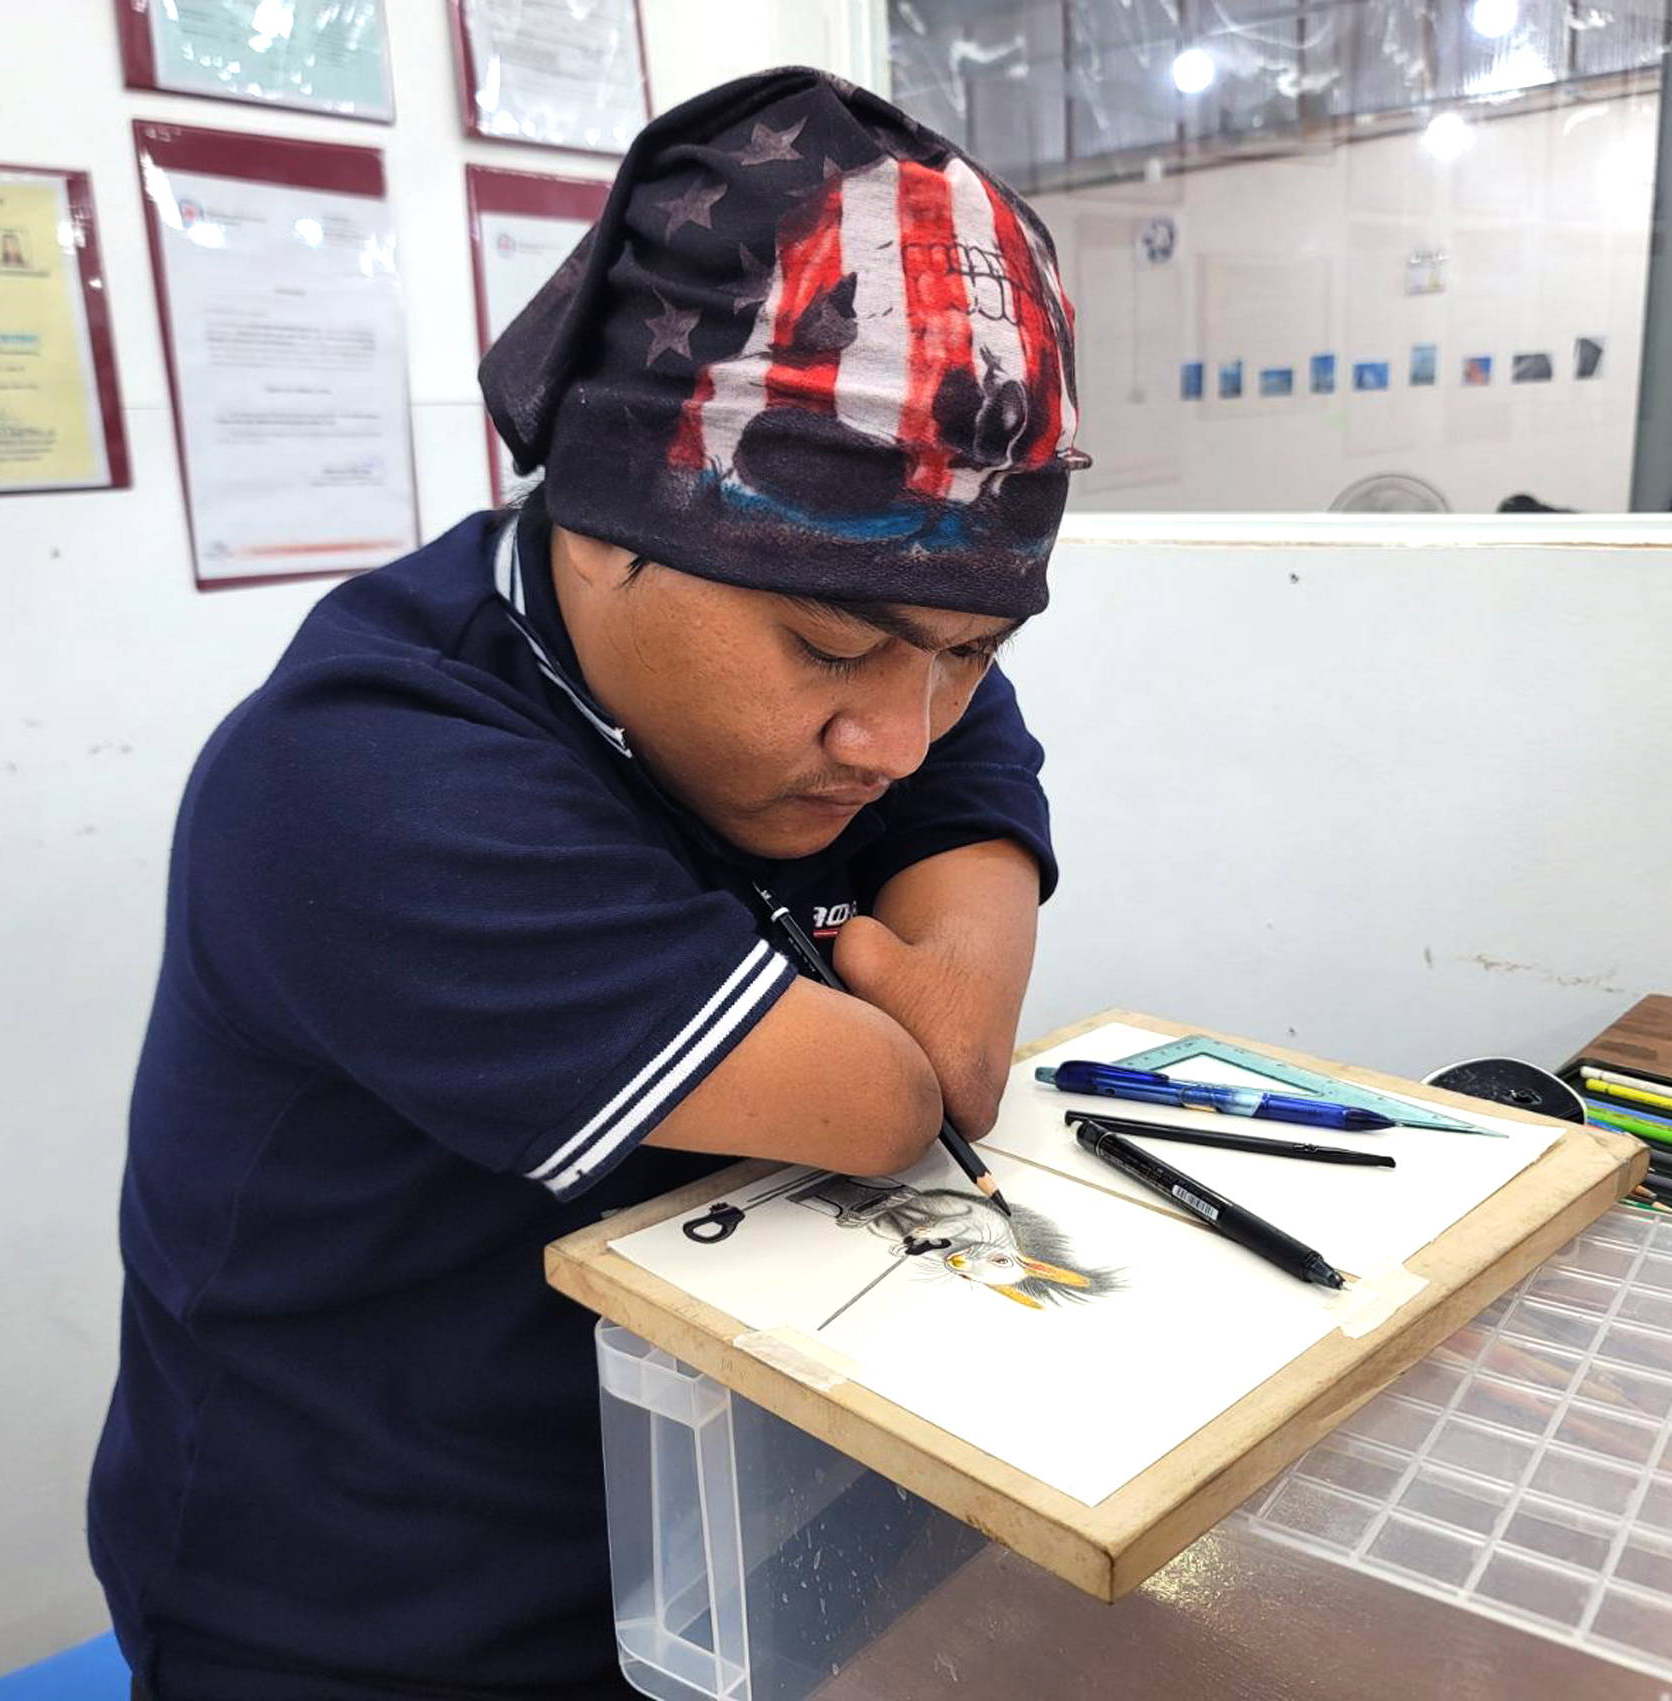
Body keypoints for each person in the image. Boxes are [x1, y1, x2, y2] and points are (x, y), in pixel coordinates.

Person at [87, 65, 1087, 1701]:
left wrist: (893, 981)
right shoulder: (362, 777)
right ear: (601, 523)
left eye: (971, 653)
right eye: (827, 647)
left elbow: (958, 1050)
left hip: (741, 1547)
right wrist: (883, 965)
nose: (897, 737)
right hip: (376, 1613)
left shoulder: (898, 656)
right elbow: (895, 1099)